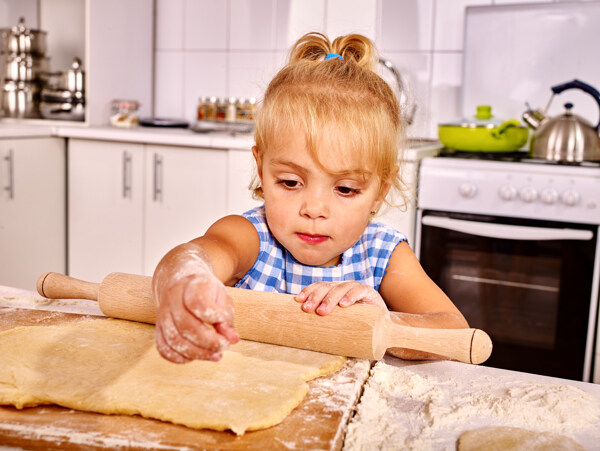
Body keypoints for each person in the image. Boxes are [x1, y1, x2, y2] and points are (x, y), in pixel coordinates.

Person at [152, 32, 468, 364]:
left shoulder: (381, 255)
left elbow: (456, 334)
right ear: (261, 170)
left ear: (379, 192)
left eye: (345, 189)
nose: (314, 209)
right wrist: (187, 285)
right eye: (290, 182)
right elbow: (189, 259)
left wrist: (384, 321)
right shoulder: (250, 238)